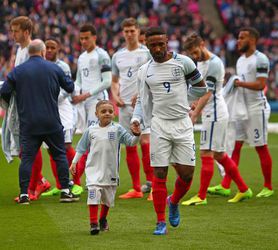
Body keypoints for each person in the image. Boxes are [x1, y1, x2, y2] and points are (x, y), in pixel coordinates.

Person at [135, 27, 207, 235]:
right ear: (146, 45)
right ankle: (160, 222)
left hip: (182, 124)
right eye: (152, 45)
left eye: (161, 44)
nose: (157, 48)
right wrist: (136, 118)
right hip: (159, 125)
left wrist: (188, 100)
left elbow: (201, 88)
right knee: (159, 173)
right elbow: (142, 99)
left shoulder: (184, 62)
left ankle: (173, 202)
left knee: (186, 174)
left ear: (167, 42)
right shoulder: (144, 71)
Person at [0, 39, 78, 204]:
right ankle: (65, 191)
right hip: (51, 120)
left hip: (28, 122)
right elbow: (70, 87)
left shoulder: (18, 71)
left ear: (29, 53)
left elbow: (4, 91)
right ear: (43, 52)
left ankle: (24, 194)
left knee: (27, 158)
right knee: (59, 155)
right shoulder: (54, 68)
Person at [180, 33, 252, 206]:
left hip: (214, 113)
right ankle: (243, 189)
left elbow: (208, 92)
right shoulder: (202, 62)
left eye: (195, 51)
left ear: (203, 44)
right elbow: (201, 89)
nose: (194, 56)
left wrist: (195, 113)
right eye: (191, 54)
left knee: (206, 153)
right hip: (210, 112)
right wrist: (195, 104)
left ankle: (201, 196)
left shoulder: (214, 63)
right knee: (219, 155)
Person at [208, 27, 274, 198]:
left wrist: (238, 83)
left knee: (260, 146)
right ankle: (225, 185)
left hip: (256, 108)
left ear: (252, 40)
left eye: (242, 38)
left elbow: (261, 84)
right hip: (242, 109)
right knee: (236, 146)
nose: (238, 41)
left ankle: (268, 186)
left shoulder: (261, 59)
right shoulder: (240, 60)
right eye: (238, 37)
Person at [70, 100, 141, 235]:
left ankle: (102, 218)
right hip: (93, 171)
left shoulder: (117, 129)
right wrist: (74, 162)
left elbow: (131, 142)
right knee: (93, 194)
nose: (107, 114)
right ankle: (93, 224)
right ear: (96, 114)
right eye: (103, 111)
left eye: (110, 111)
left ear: (114, 113)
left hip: (110, 171)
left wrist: (136, 135)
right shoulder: (91, 130)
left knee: (107, 199)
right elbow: (81, 147)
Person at [8, 16, 50, 201]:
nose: (13, 34)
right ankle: (39, 180)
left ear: (26, 31)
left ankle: (34, 186)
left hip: (31, 103)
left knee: (30, 146)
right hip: (21, 103)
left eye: (16, 31)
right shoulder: (19, 49)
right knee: (22, 148)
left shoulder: (33, 49)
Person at [111, 17, 153, 200]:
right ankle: (136, 188)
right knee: (129, 145)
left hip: (143, 106)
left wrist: (143, 93)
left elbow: (153, 76)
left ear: (138, 31)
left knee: (145, 144)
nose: (129, 34)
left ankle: (152, 187)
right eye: (126, 31)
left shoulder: (146, 53)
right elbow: (114, 81)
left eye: (132, 31)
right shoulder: (117, 55)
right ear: (123, 33)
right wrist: (115, 95)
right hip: (125, 107)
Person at [70, 24, 112, 184]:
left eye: (87, 38)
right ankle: (86, 178)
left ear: (94, 37)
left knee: (95, 140)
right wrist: (76, 93)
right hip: (84, 103)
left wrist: (86, 94)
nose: (84, 41)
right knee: (90, 140)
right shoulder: (81, 57)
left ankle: (90, 178)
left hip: (98, 101)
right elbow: (79, 80)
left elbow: (107, 81)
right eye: (81, 38)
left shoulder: (102, 55)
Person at [41, 37, 83, 197]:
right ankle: (60, 185)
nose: (50, 50)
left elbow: (67, 89)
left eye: (53, 47)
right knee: (52, 150)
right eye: (48, 47)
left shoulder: (63, 66)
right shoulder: (41, 66)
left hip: (63, 109)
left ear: (58, 49)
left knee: (65, 147)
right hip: (47, 110)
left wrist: (51, 98)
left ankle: (77, 182)